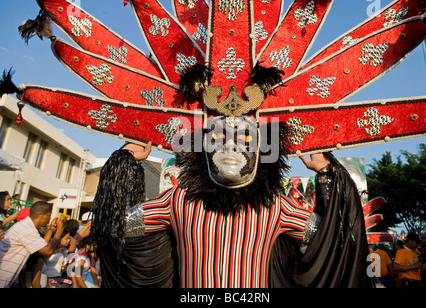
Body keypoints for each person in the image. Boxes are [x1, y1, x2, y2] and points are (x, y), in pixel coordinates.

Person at [90, 118, 372, 288]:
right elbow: (113, 227)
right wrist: (124, 163)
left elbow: (335, 241)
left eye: (245, 138)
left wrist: (327, 173)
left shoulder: (275, 205)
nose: (231, 146)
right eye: (220, 138)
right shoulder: (178, 199)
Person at [0, 201, 66, 288]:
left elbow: (41, 248)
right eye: (49, 215)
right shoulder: (26, 229)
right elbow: (47, 251)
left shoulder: (27, 227)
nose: (50, 218)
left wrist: (51, 229)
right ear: (42, 216)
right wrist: (60, 229)